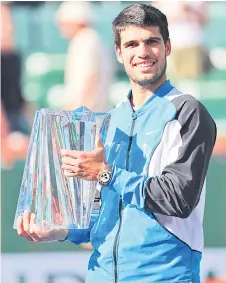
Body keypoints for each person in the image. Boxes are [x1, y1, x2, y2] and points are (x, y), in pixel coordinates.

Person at [16, 4, 217, 283]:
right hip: (101, 275)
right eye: (132, 44)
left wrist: (105, 173)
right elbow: (102, 213)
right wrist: (59, 231)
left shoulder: (187, 113)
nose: (143, 52)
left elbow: (177, 199)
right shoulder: (110, 119)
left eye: (152, 42)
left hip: (163, 276)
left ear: (168, 47)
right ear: (119, 53)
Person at [55, 1, 114, 112]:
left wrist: (78, 113)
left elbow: (89, 78)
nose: (61, 27)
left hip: (87, 116)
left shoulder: (84, 41)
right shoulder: (95, 39)